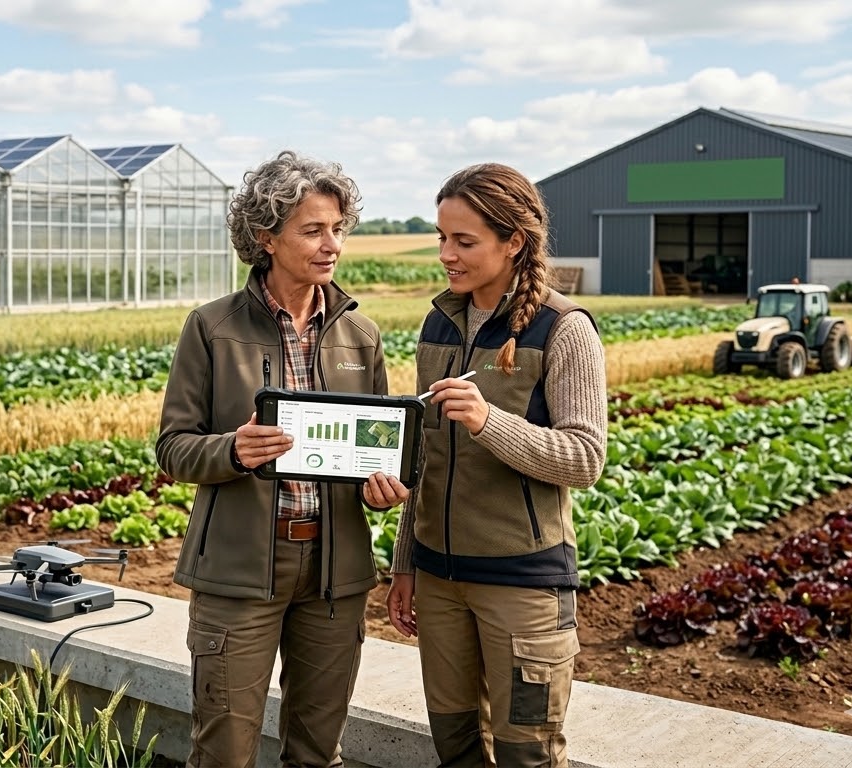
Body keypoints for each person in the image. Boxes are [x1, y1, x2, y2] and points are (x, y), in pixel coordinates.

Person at [157, 150, 412, 768]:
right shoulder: (212, 328)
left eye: (339, 229)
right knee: (224, 752)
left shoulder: (362, 335)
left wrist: (382, 485)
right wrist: (233, 450)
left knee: (318, 753)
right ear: (266, 238)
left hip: (335, 571)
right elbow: (173, 448)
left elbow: (376, 446)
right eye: (314, 230)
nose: (333, 245)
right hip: (240, 572)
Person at [385, 163, 607, 768]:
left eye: (464, 241)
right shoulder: (439, 324)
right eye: (441, 237)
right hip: (439, 580)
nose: (445, 255)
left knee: (524, 753)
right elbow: (424, 457)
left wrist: (489, 422)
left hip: (523, 584)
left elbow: (585, 457)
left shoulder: (563, 328)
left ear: (514, 241)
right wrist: (406, 562)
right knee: (454, 746)